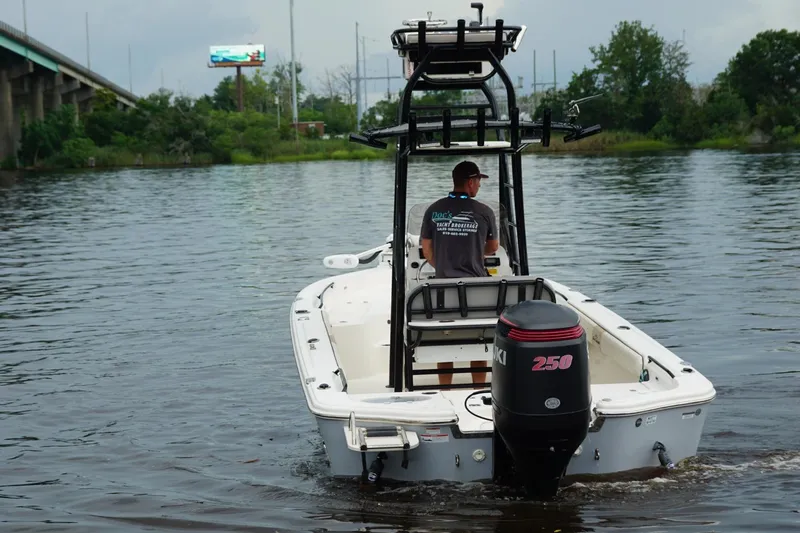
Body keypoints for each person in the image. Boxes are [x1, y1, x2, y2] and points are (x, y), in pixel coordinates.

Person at [419, 161, 499, 388]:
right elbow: (493, 247)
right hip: (477, 292)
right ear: (471, 182)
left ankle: (445, 388)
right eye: (479, 182)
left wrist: (443, 265)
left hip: (443, 291)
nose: (479, 187)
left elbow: (427, 250)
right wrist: (474, 249)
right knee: (480, 337)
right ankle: (478, 387)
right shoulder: (484, 212)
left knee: (446, 337)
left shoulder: (433, 210)